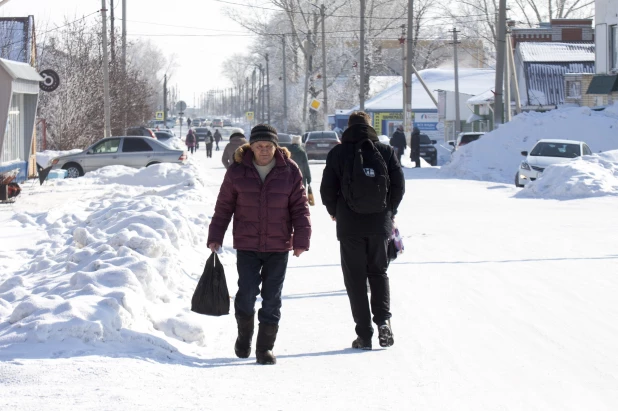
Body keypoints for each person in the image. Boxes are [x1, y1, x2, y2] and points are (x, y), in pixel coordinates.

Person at [207, 124, 311, 365]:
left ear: (276, 147)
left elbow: (300, 208)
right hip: (248, 245)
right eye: (258, 146)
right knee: (246, 294)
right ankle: (244, 338)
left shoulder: (290, 170)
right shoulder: (236, 171)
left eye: (268, 146)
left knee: (272, 297)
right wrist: (215, 236)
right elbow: (224, 207)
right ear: (250, 147)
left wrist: (302, 239)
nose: (263, 150)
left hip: (278, 246)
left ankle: (264, 349)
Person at [320, 111, 405, 350]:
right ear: (370, 126)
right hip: (380, 224)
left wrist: (334, 211)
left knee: (355, 280)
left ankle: (365, 335)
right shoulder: (386, 152)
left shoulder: (337, 153)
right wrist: (390, 211)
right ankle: (384, 322)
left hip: (349, 225)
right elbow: (398, 185)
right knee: (378, 273)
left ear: (348, 127)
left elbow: (327, 188)